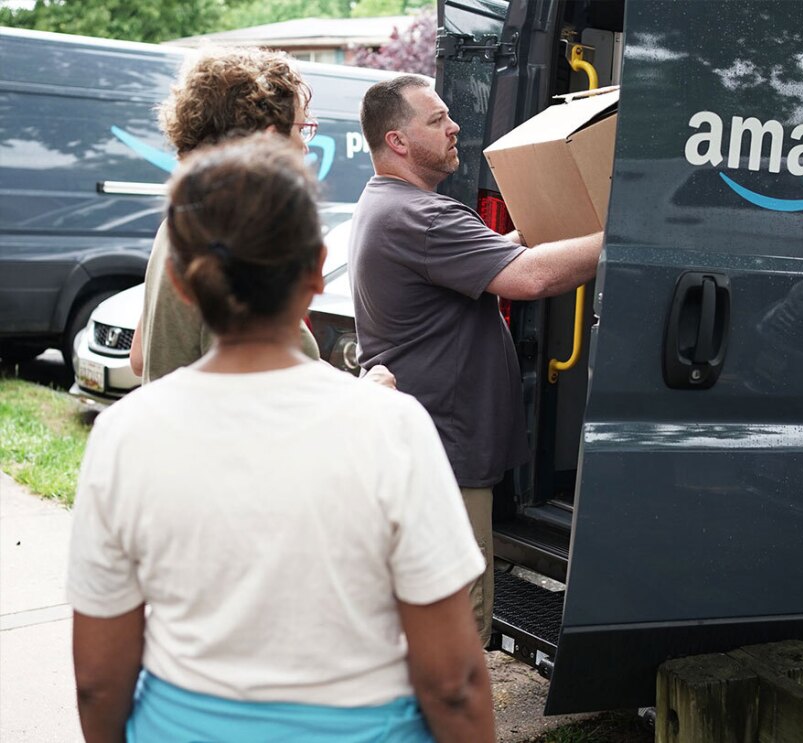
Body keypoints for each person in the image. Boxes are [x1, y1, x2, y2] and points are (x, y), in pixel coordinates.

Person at [68, 134, 494, 743]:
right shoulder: (393, 428)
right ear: (317, 273)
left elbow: (98, 683)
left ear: (181, 285)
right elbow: (454, 683)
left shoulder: (123, 434)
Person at [349, 75, 603, 646]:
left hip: (426, 450)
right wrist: (624, 237)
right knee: (457, 634)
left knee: (421, 622)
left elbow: (500, 254)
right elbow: (531, 277)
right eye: (437, 119)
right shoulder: (423, 218)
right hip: (446, 457)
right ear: (398, 140)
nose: (454, 125)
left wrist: (538, 231)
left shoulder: (388, 205)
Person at [130, 46, 321, 384]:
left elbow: (139, 358)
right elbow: (296, 389)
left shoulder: (180, 225)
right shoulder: (247, 242)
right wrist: (371, 390)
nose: (305, 146)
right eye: (301, 128)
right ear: (270, 139)